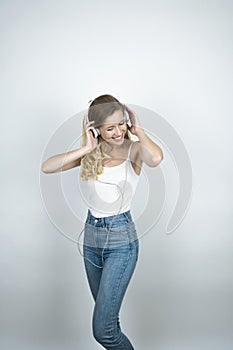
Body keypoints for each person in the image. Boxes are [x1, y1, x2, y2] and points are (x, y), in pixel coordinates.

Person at [41, 94, 163, 350]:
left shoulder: (134, 149)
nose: (118, 131)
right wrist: (86, 147)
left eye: (122, 123)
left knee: (103, 331)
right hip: (91, 240)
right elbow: (47, 167)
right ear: (96, 129)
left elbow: (156, 158)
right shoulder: (91, 154)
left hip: (121, 241)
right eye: (110, 127)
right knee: (108, 324)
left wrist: (138, 130)